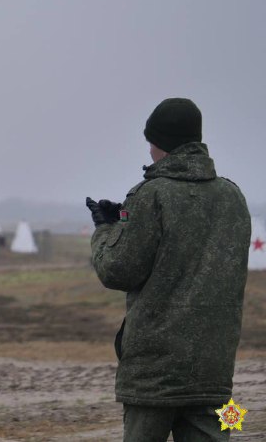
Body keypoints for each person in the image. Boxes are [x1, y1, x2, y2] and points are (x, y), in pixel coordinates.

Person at [86, 98, 250, 442]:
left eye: (151, 141)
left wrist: (105, 230)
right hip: (215, 374)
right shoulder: (233, 198)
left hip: (154, 377)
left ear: (160, 142)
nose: (149, 150)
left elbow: (117, 270)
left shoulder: (151, 195)